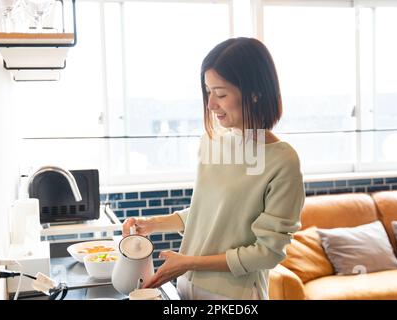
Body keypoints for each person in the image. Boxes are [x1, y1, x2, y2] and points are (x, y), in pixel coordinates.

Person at [122, 37, 305, 300]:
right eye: (208, 92)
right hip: (186, 287)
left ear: (255, 94)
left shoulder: (282, 161)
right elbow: (207, 212)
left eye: (221, 94)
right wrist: (152, 224)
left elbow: (268, 253)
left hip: (234, 296)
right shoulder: (214, 142)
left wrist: (189, 262)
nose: (210, 104)